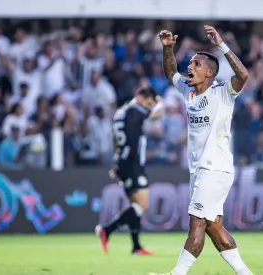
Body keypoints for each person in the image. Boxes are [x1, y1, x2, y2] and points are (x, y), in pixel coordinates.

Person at [150, 26, 253, 275]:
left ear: (209, 73)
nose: (190, 67)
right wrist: (167, 48)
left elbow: (243, 75)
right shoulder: (190, 91)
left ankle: (177, 274)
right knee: (213, 227)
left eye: (196, 64)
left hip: (215, 169)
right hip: (200, 170)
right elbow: (170, 72)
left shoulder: (223, 93)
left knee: (196, 223)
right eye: (191, 63)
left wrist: (222, 45)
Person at [95, 86, 163, 256]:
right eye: (148, 103)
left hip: (123, 163)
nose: (148, 107)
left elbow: (115, 140)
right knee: (142, 204)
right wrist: (160, 102)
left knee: (135, 205)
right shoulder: (134, 111)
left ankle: (136, 246)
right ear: (140, 97)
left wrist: (116, 162)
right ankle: (106, 229)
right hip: (132, 164)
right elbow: (158, 113)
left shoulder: (120, 112)